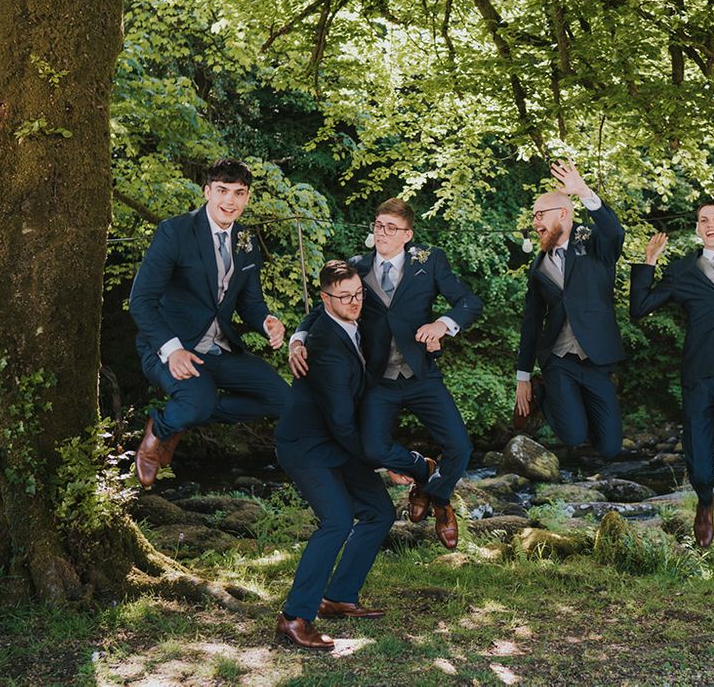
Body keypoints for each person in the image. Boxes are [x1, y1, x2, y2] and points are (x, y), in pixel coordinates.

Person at [289, 198, 483, 549]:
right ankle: (421, 470)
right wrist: (298, 338)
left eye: (391, 228)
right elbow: (323, 308)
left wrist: (442, 324)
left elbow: (469, 302)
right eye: (378, 225)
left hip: (422, 374)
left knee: (460, 446)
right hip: (378, 379)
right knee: (375, 450)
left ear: (407, 234)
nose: (382, 232)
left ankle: (437, 498)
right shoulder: (356, 266)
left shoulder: (430, 260)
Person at [129, 158, 291, 486]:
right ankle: (158, 431)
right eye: (222, 191)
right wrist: (172, 349)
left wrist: (267, 322)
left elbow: (251, 303)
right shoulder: (175, 231)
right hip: (169, 347)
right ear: (207, 192)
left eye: (238, 193)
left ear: (247, 198)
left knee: (284, 399)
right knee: (196, 402)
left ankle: (183, 419)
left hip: (219, 349)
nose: (229, 201)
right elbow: (141, 302)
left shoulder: (246, 239)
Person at [275, 260, 401, 651]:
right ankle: (295, 616)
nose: (354, 302)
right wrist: (382, 460)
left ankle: (339, 597)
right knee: (336, 520)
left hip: (339, 441)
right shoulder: (325, 347)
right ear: (325, 299)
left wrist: (296, 333)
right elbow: (342, 423)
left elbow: (318, 311)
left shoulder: (354, 311)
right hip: (309, 445)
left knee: (380, 512)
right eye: (344, 297)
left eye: (358, 294)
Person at [630, 201, 714, 547]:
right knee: (700, 462)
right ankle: (705, 503)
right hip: (698, 375)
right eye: (703, 220)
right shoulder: (681, 272)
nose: (711, 224)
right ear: (696, 229)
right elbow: (639, 308)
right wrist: (649, 263)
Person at [514, 160, 625, 460]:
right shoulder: (538, 266)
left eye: (540, 215)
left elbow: (615, 234)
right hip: (558, 360)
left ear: (563, 213)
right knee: (573, 435)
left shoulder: (593, 243)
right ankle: (546, 392)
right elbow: (532, 322)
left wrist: (584, 192)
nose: (535, 222)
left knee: (611, 447)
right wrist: (523, 376)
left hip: (597, 358)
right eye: (534, 216)